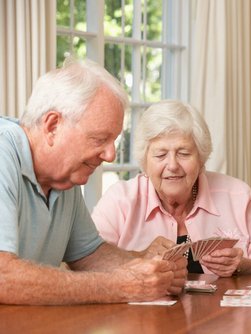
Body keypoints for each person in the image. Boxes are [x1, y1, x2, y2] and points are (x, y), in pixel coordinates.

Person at [0, 58, 187, 305]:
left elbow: (89, 255)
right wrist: (120, 286)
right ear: (53, 126)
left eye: (113, 142)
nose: (110, 155)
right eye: (99, 139)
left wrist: (148, 269)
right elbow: (3, 276)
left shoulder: (64, 177)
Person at [92, 100, 251, 277]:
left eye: (184, 153)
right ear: (145, 161)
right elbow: (88, 263)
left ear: (201, 158)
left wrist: (242, 265)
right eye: (160, 155)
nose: (173, 165)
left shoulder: (238, 196)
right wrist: (138, 258)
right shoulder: (119, 200)